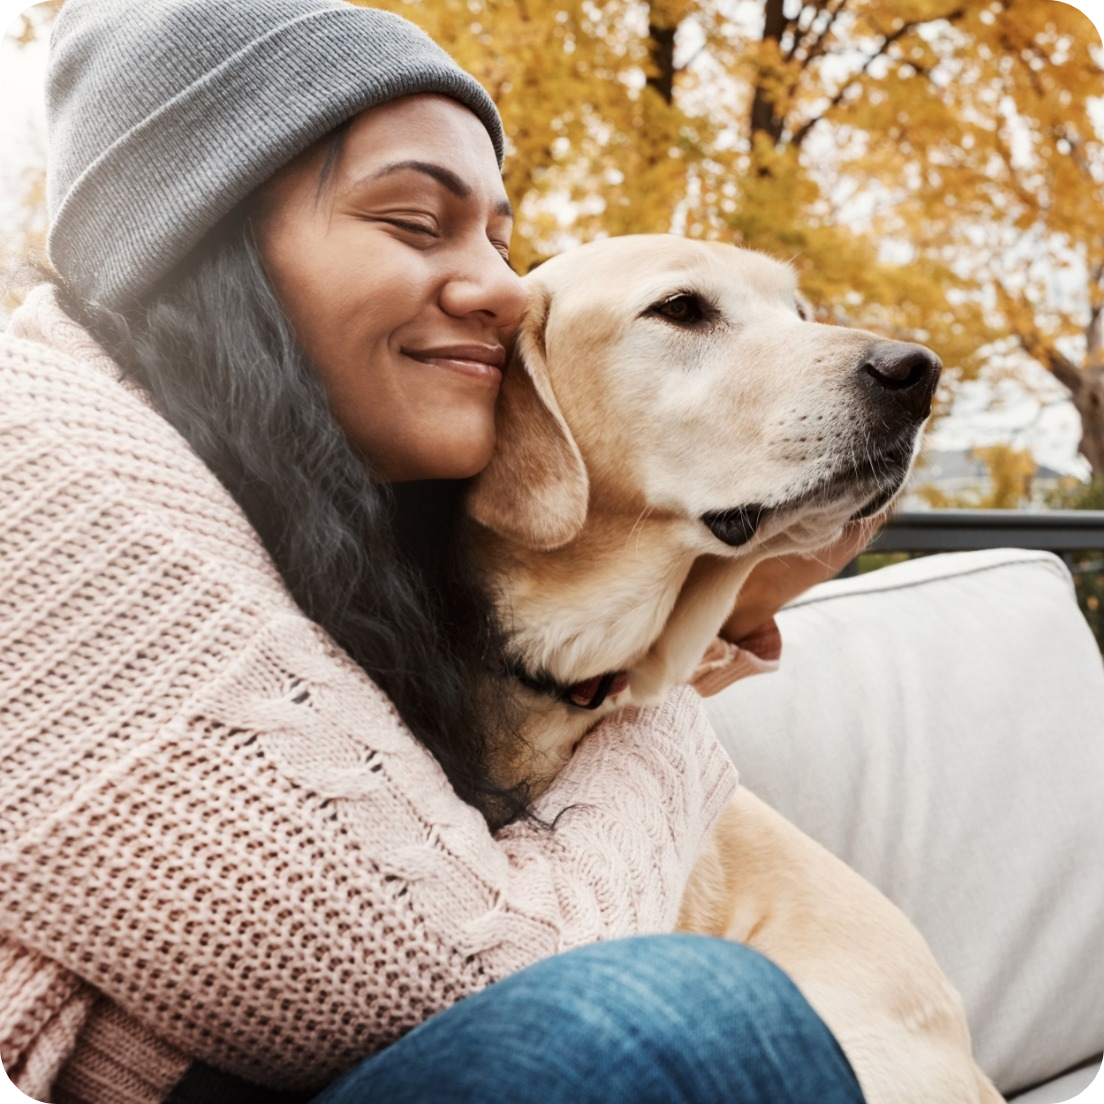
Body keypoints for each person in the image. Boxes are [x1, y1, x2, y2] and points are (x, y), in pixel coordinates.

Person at [0, 2, 869, 1102]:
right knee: (675, 1024)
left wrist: (721, 590)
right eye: (416, 222)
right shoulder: (46, 465)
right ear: (197, 253)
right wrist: (660, 713)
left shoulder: (311, 517)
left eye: (498, 237)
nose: (509, 289)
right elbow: (503, 976)